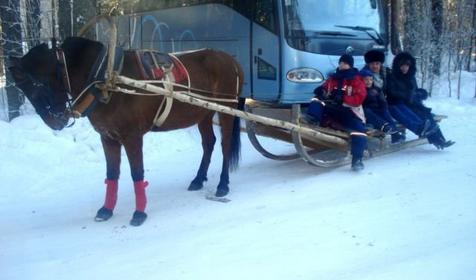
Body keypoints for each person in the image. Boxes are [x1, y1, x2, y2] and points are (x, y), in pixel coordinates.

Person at [307, 54, 368, 171]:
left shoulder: (355, 79)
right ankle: (312, 119)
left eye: (345, 63)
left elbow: (359, 98)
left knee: (359, 131)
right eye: (341, 63)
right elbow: (325, 87)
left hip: (349, 111)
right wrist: (322, 91)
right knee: (316, 100)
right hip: (332, 109)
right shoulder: (333, 78)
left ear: (350, 65)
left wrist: (343, 99)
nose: (342, 65)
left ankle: (357, 159)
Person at [362, 50, 436, 141]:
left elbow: (396, 80)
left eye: (377, 63)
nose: (375, 66)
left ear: (380, 64)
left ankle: (421, 126)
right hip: (372, 105)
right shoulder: (363, 76)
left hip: (383, 101)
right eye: (372, 64)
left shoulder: (385, 72)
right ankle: (418, 129)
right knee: (393, 109)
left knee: (399, 104)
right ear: (368, 64)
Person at [387, 52, 455, 149]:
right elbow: (392, 92)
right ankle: (437, 140)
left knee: (428, 116)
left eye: (407, 65)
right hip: (401, 104)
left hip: (413, 104)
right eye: (402, 65)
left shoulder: (411, 77)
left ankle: (441, 140)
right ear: (398, 65)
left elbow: (415, 89)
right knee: (424, 119)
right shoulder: (392, 77)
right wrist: (408, 96)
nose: (405, 68)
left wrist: (421, 93)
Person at [359, 69, 405, 144]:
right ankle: (385, 127)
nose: (369, 82)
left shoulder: (376, 89)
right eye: (366, 79)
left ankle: (395, 135)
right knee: (367, 111)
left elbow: (382, 100)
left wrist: (383, 107)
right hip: (367, 114)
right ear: (361, 80)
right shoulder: (360, 90)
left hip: (377, 110)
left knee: (385, 111)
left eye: (370, 79)